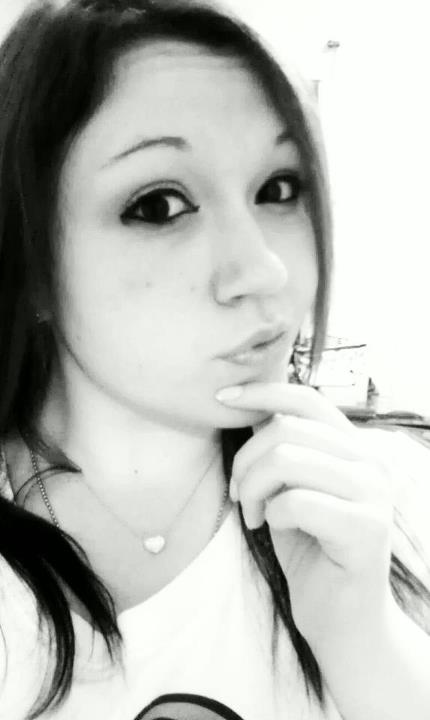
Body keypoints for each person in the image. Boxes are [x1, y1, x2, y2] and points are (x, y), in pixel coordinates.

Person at [0, 1, 429, 718]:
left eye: (279, 189)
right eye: (159, 205)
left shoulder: (392, 501)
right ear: (32, 265)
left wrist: (362, 639)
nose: (264, 270)